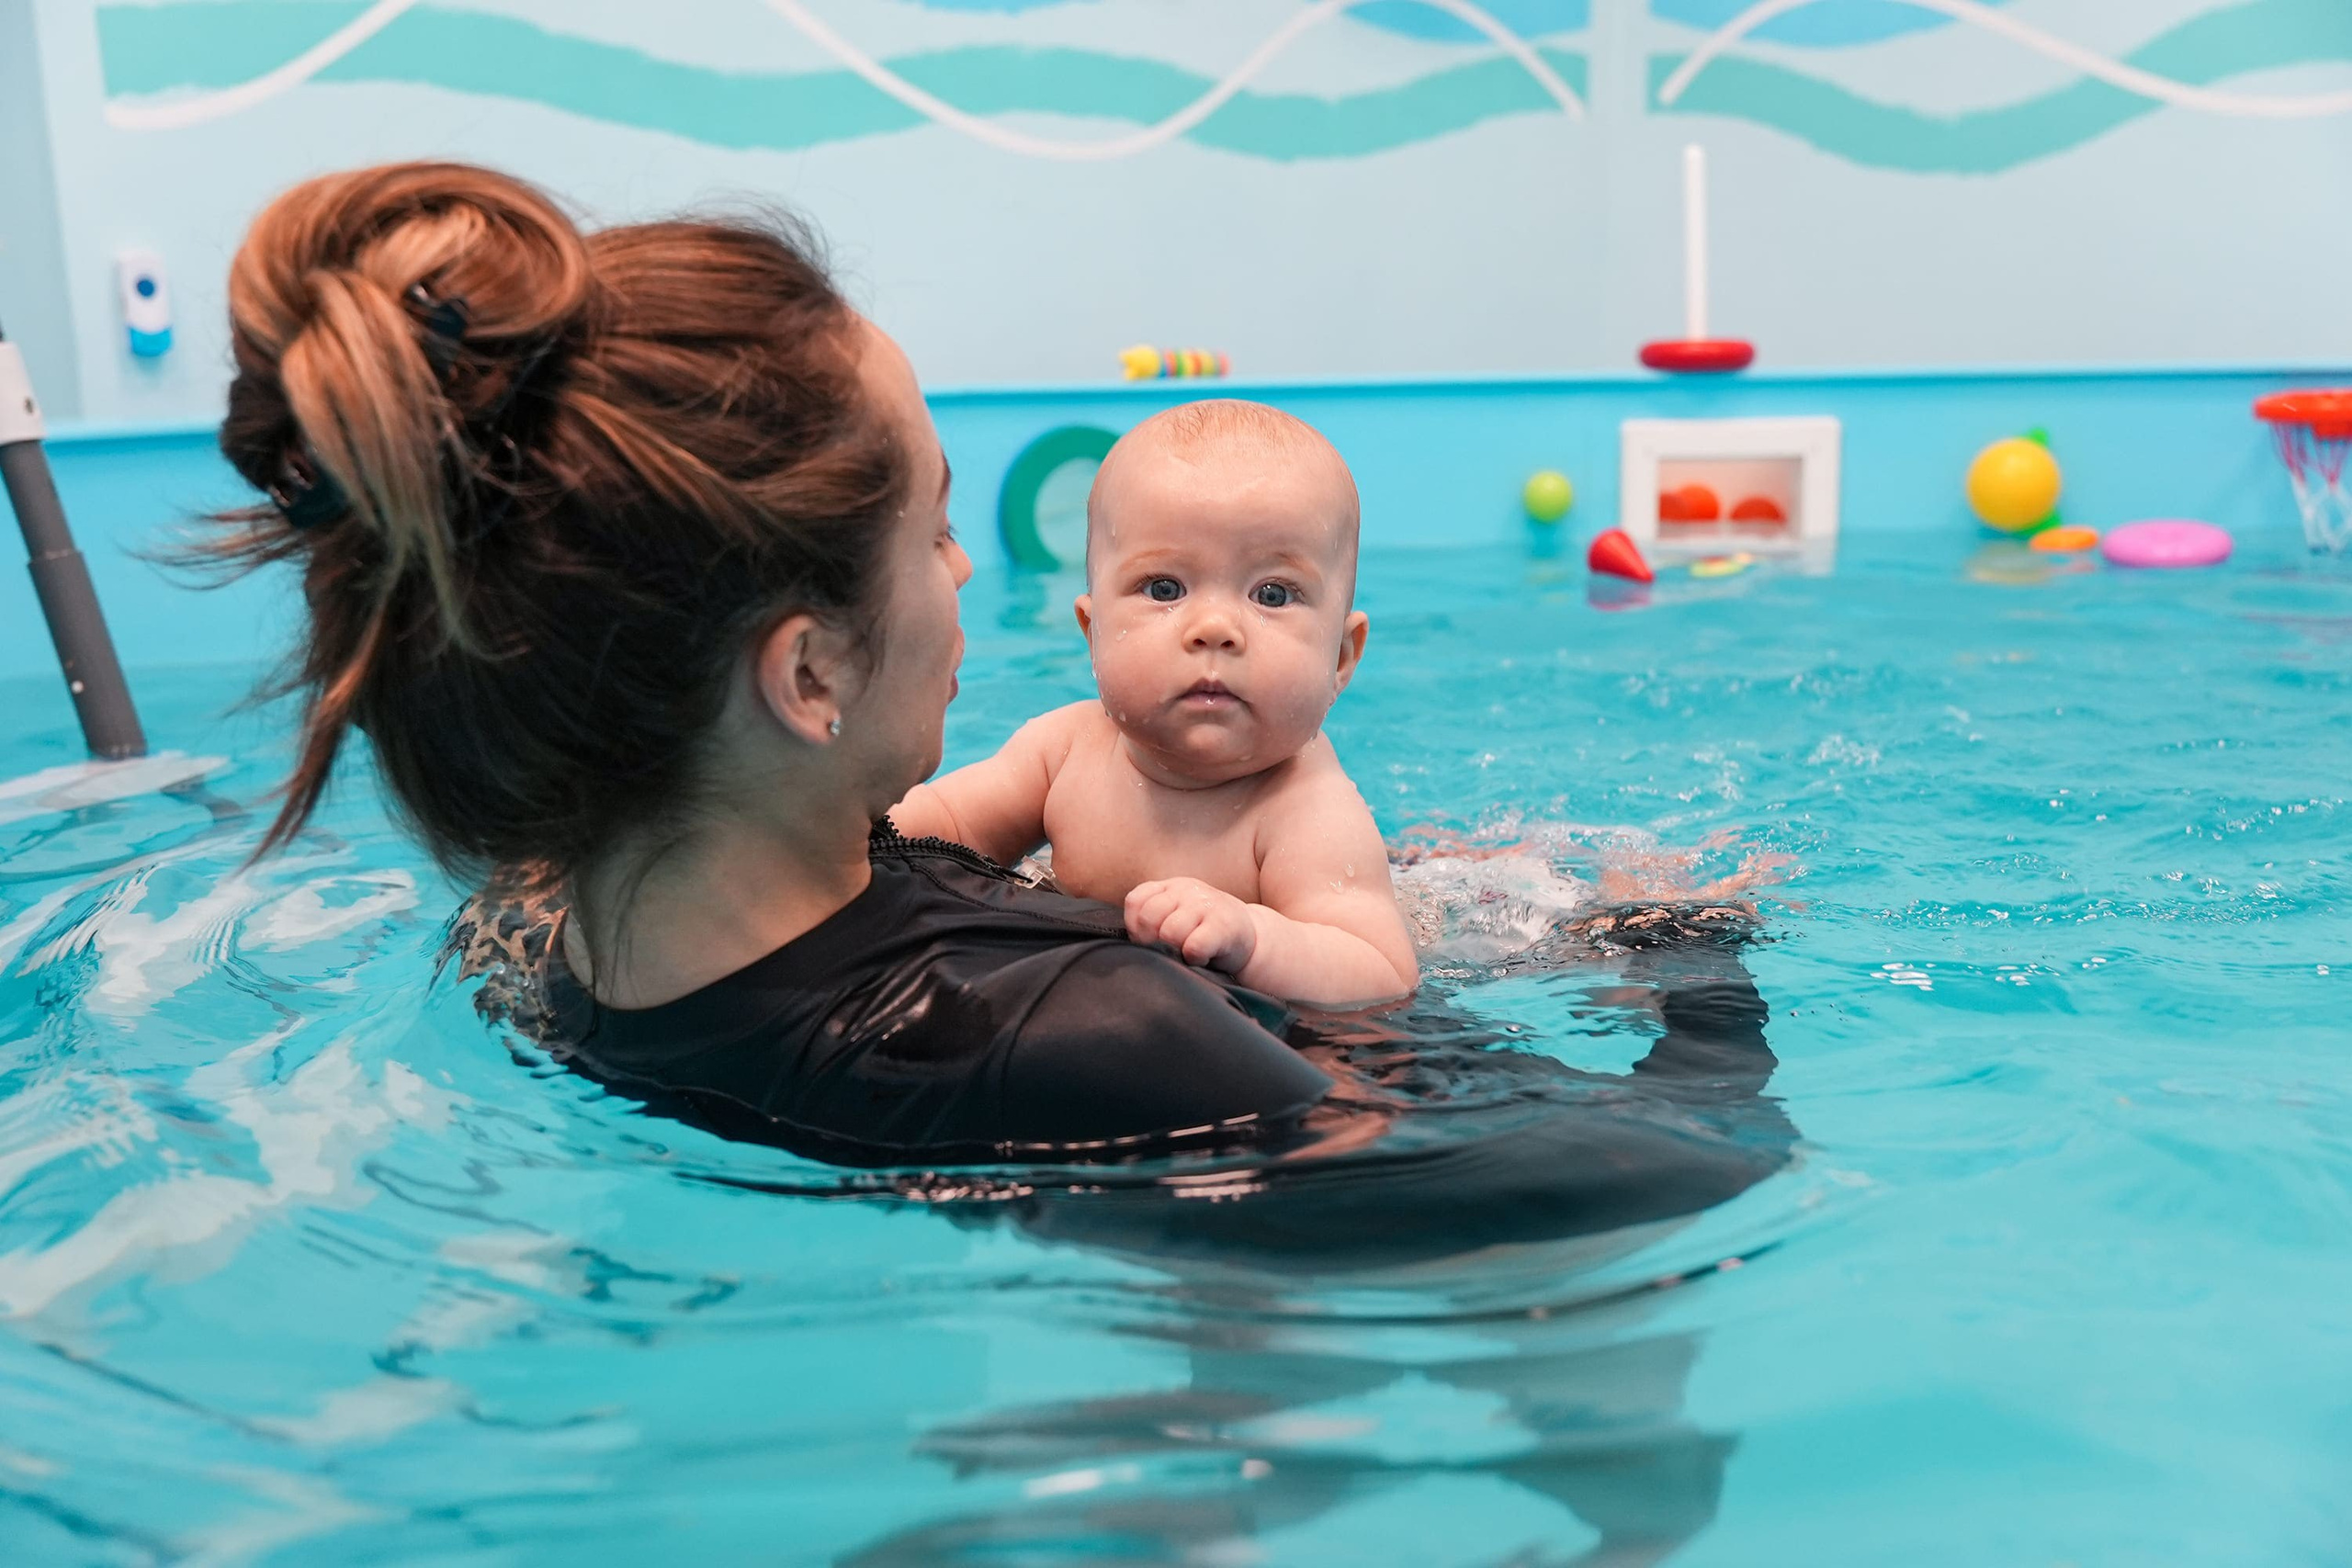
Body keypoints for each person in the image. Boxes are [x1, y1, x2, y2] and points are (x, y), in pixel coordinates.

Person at [209, 164, 1796, 1267]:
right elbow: (1659, 1185)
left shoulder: (541, 919)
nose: (968, 582)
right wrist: (1704, 977)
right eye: (937, 532)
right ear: (809, 672)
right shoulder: (1109, 1033)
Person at [888, 400, 1419, 1009]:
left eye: (1272, 594)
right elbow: (944, 829)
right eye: (1164, 588)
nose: (1215, 627)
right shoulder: (1064, 750)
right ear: (1093, 631)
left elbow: (1382, 968)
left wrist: (1255, 938)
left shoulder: (1306, 812)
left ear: (1342, 659)